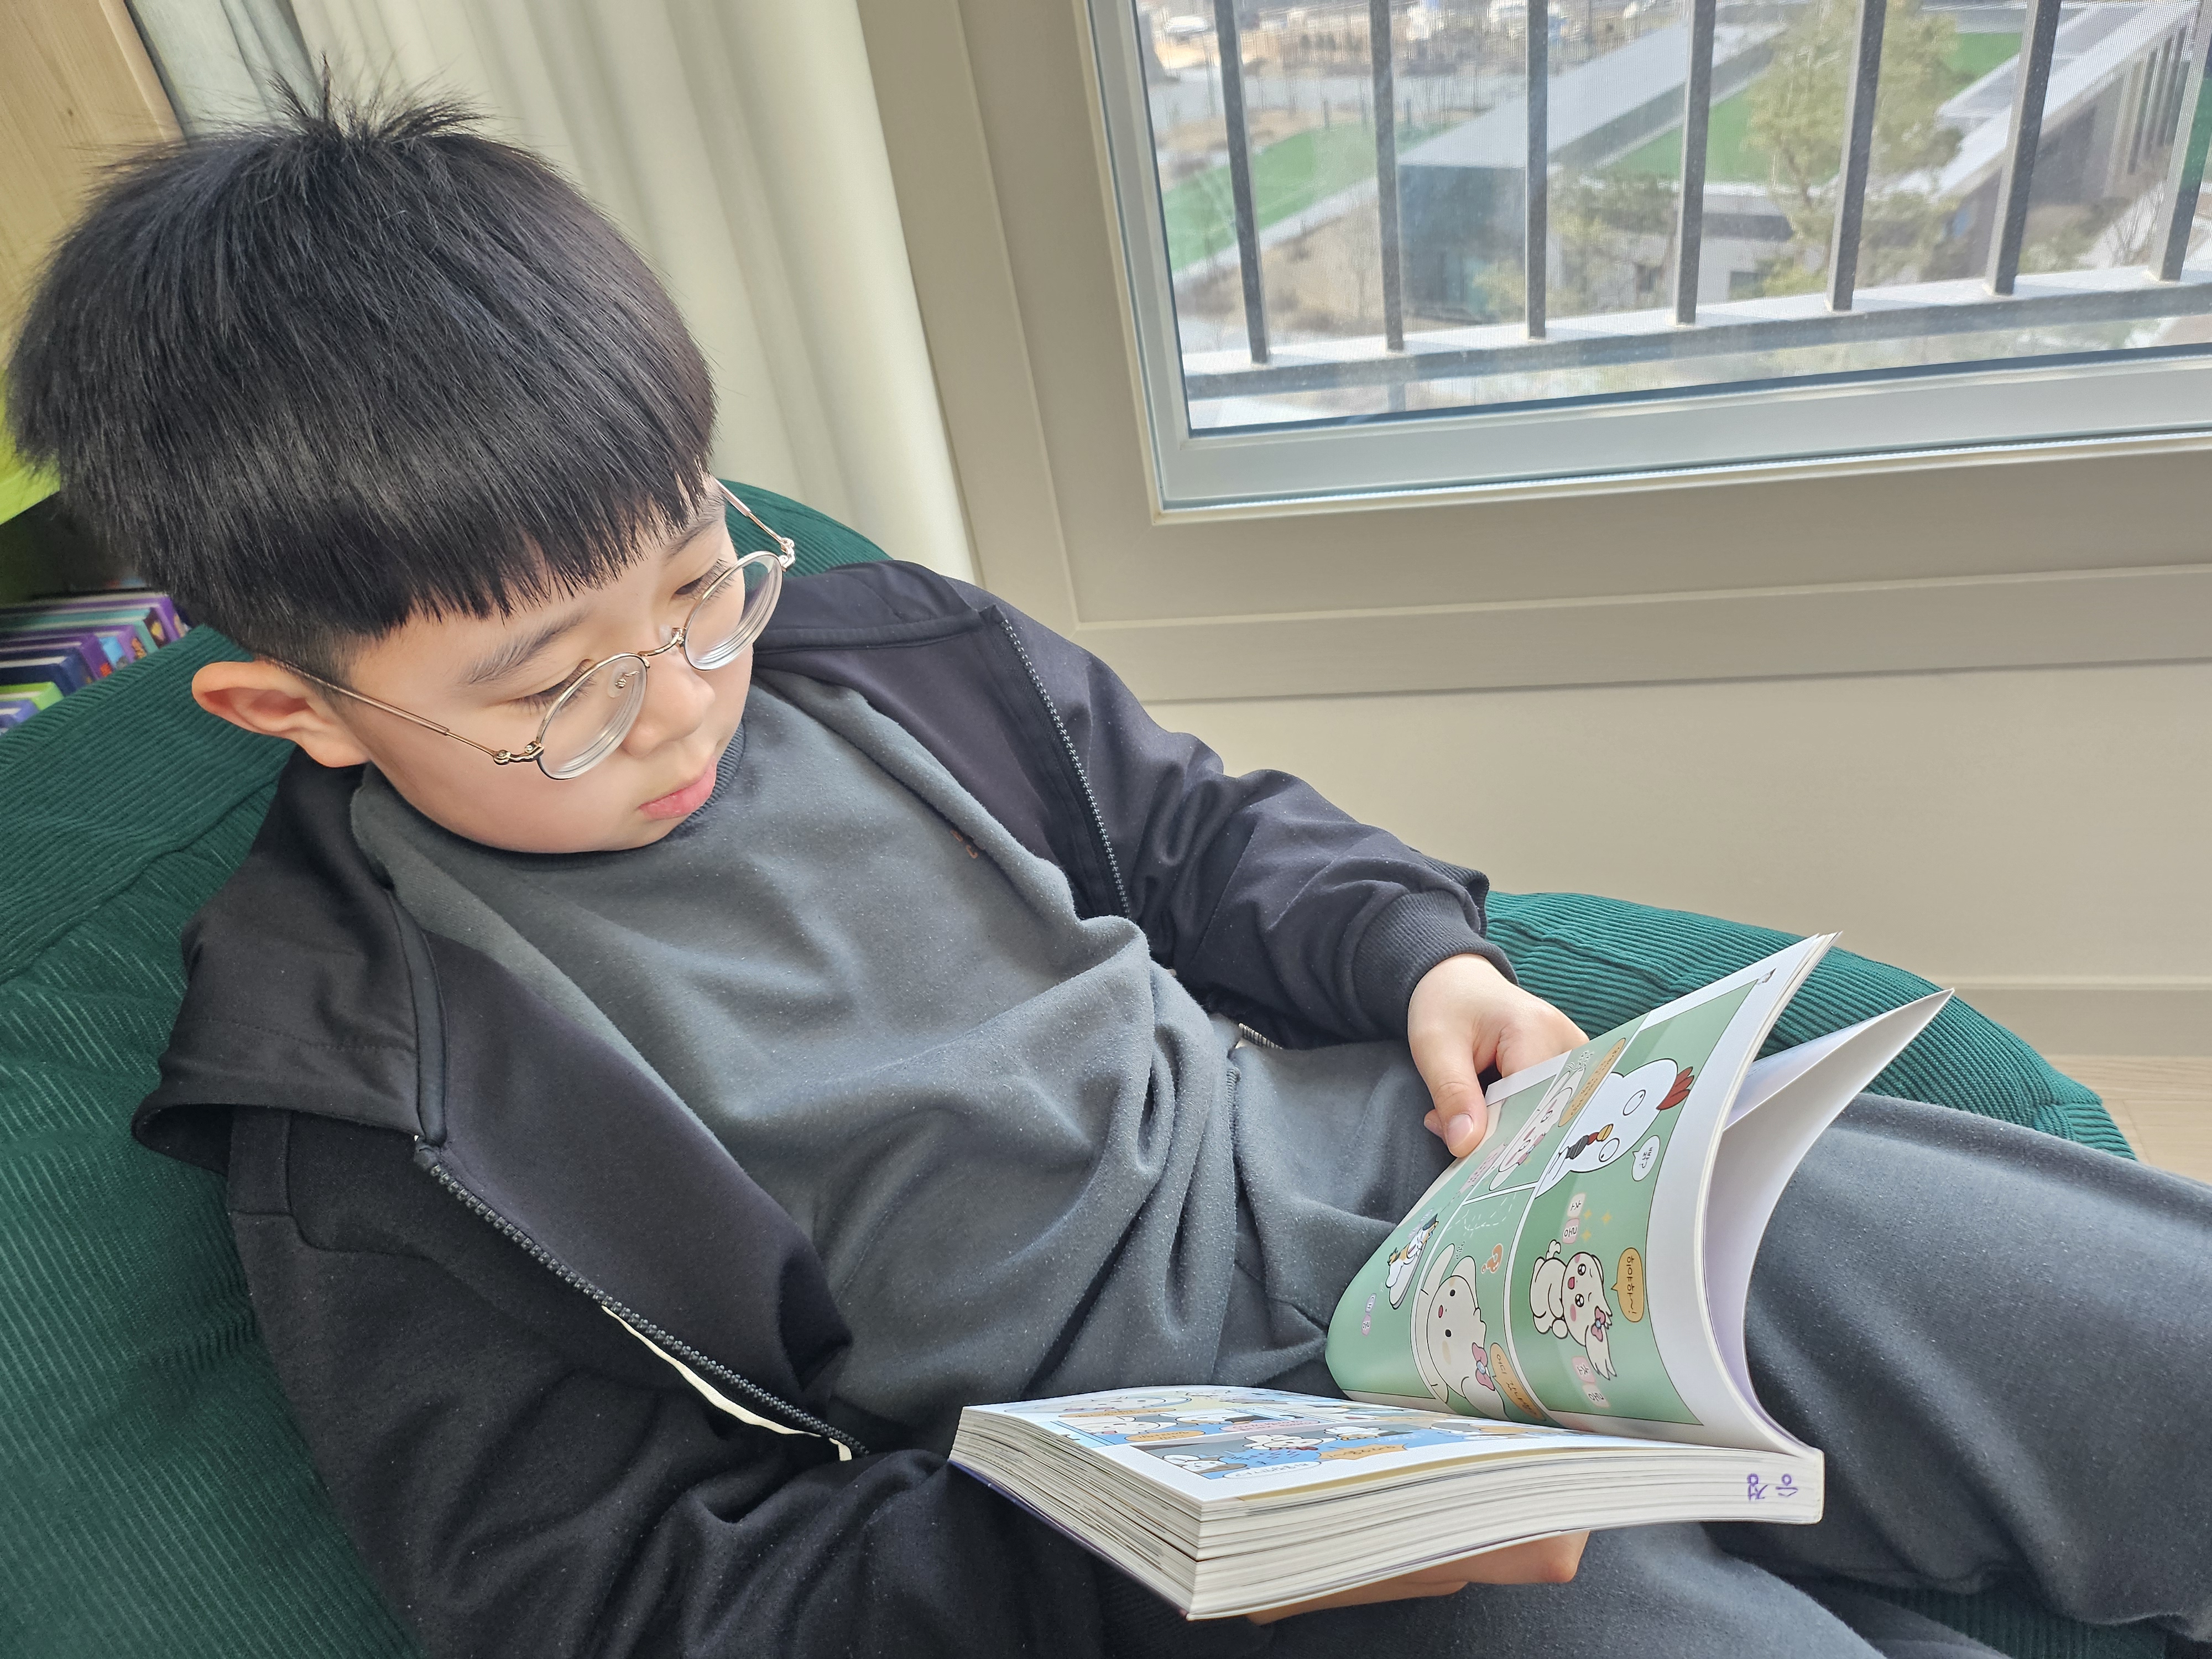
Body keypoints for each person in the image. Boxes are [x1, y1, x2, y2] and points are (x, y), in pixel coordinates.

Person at [9, 95, 2206, 1659]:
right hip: (1178, 1508)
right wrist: (1151, 1560)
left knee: (2118, 1340)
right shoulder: (357, 1107)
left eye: (693, 579)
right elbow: (624, 1600)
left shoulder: (888, 656)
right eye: (554, 691)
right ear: (295, 709)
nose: (681, 704)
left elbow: (1198, 832)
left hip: (1442, 1210)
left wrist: (1415, 954)